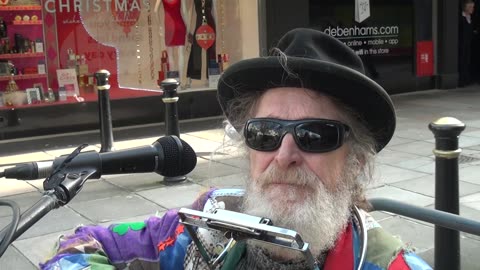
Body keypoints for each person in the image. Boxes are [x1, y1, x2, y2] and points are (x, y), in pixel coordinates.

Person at [40, 28, 431, 270]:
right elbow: (81, 244)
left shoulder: (390, 265)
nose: (284, 154)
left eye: (316, 135)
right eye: (265, 133)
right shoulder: (204, 226)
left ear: (356, 163)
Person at [459, 0, 476, 87]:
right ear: (465, 7)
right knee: (462, 61)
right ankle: (461, 81)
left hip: (468, 43)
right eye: (470, 7)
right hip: (461, 44)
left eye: (473, 7)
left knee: (467, 61)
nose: (472, 9)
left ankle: (466, 80)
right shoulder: (461, 18)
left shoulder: (471, 18)